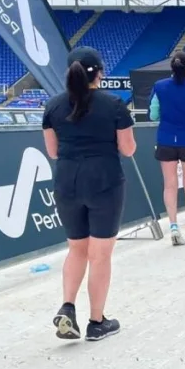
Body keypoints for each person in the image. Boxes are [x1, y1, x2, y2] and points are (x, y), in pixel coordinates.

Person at [42, 46, 136, 342]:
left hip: (68, 182)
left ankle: (68, 306)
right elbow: (128, 149)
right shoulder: (115, 105)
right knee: (100, 255)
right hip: (104, 182)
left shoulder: (53, 107)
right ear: (100, 73)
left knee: (76, 249)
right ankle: (97, 321)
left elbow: (53, 152)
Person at [148, 50, 185, 245]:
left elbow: (153, 115)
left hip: (165, 139)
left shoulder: (159, 87)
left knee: (170, 185)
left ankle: (173, 227)